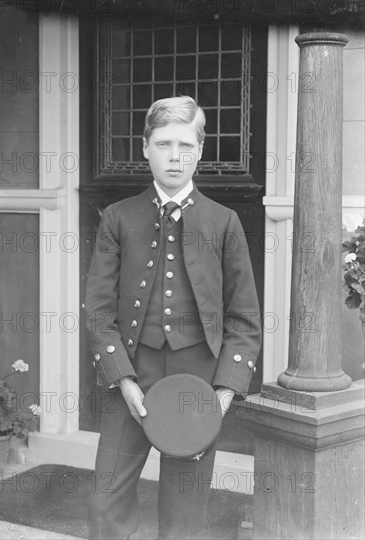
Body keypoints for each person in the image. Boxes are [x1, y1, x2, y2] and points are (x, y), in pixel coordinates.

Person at [85, 96, 261, 540]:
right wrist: (121, 379)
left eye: (186, 145)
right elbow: (99, 310)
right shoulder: (117, 218)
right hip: (132, 373)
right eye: (164, 143)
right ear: (145, 148)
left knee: (185, 514)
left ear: (199, 152)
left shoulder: (224, 223)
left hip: (196, 381)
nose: (175, 155)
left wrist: (222, 393)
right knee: (107, 500)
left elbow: (244, 319)